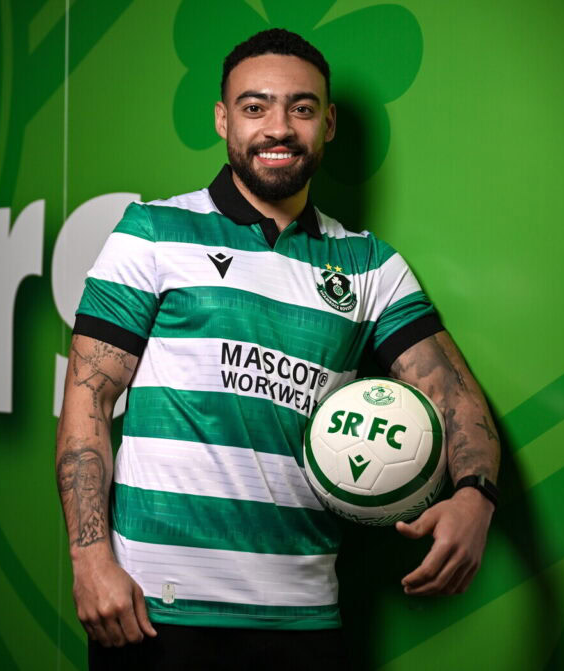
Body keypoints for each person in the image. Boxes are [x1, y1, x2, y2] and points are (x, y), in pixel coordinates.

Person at [54, 28, 500, 670]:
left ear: (329, 123)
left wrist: (475, 494)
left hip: (303, 615)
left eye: (302, 107)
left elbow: (450, 390)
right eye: (255, 106)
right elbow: (87, 398)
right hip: (155, 612)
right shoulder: (151, 233)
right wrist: (90, 560)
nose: (279, 128)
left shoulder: (370, 264)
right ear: (223, 118)